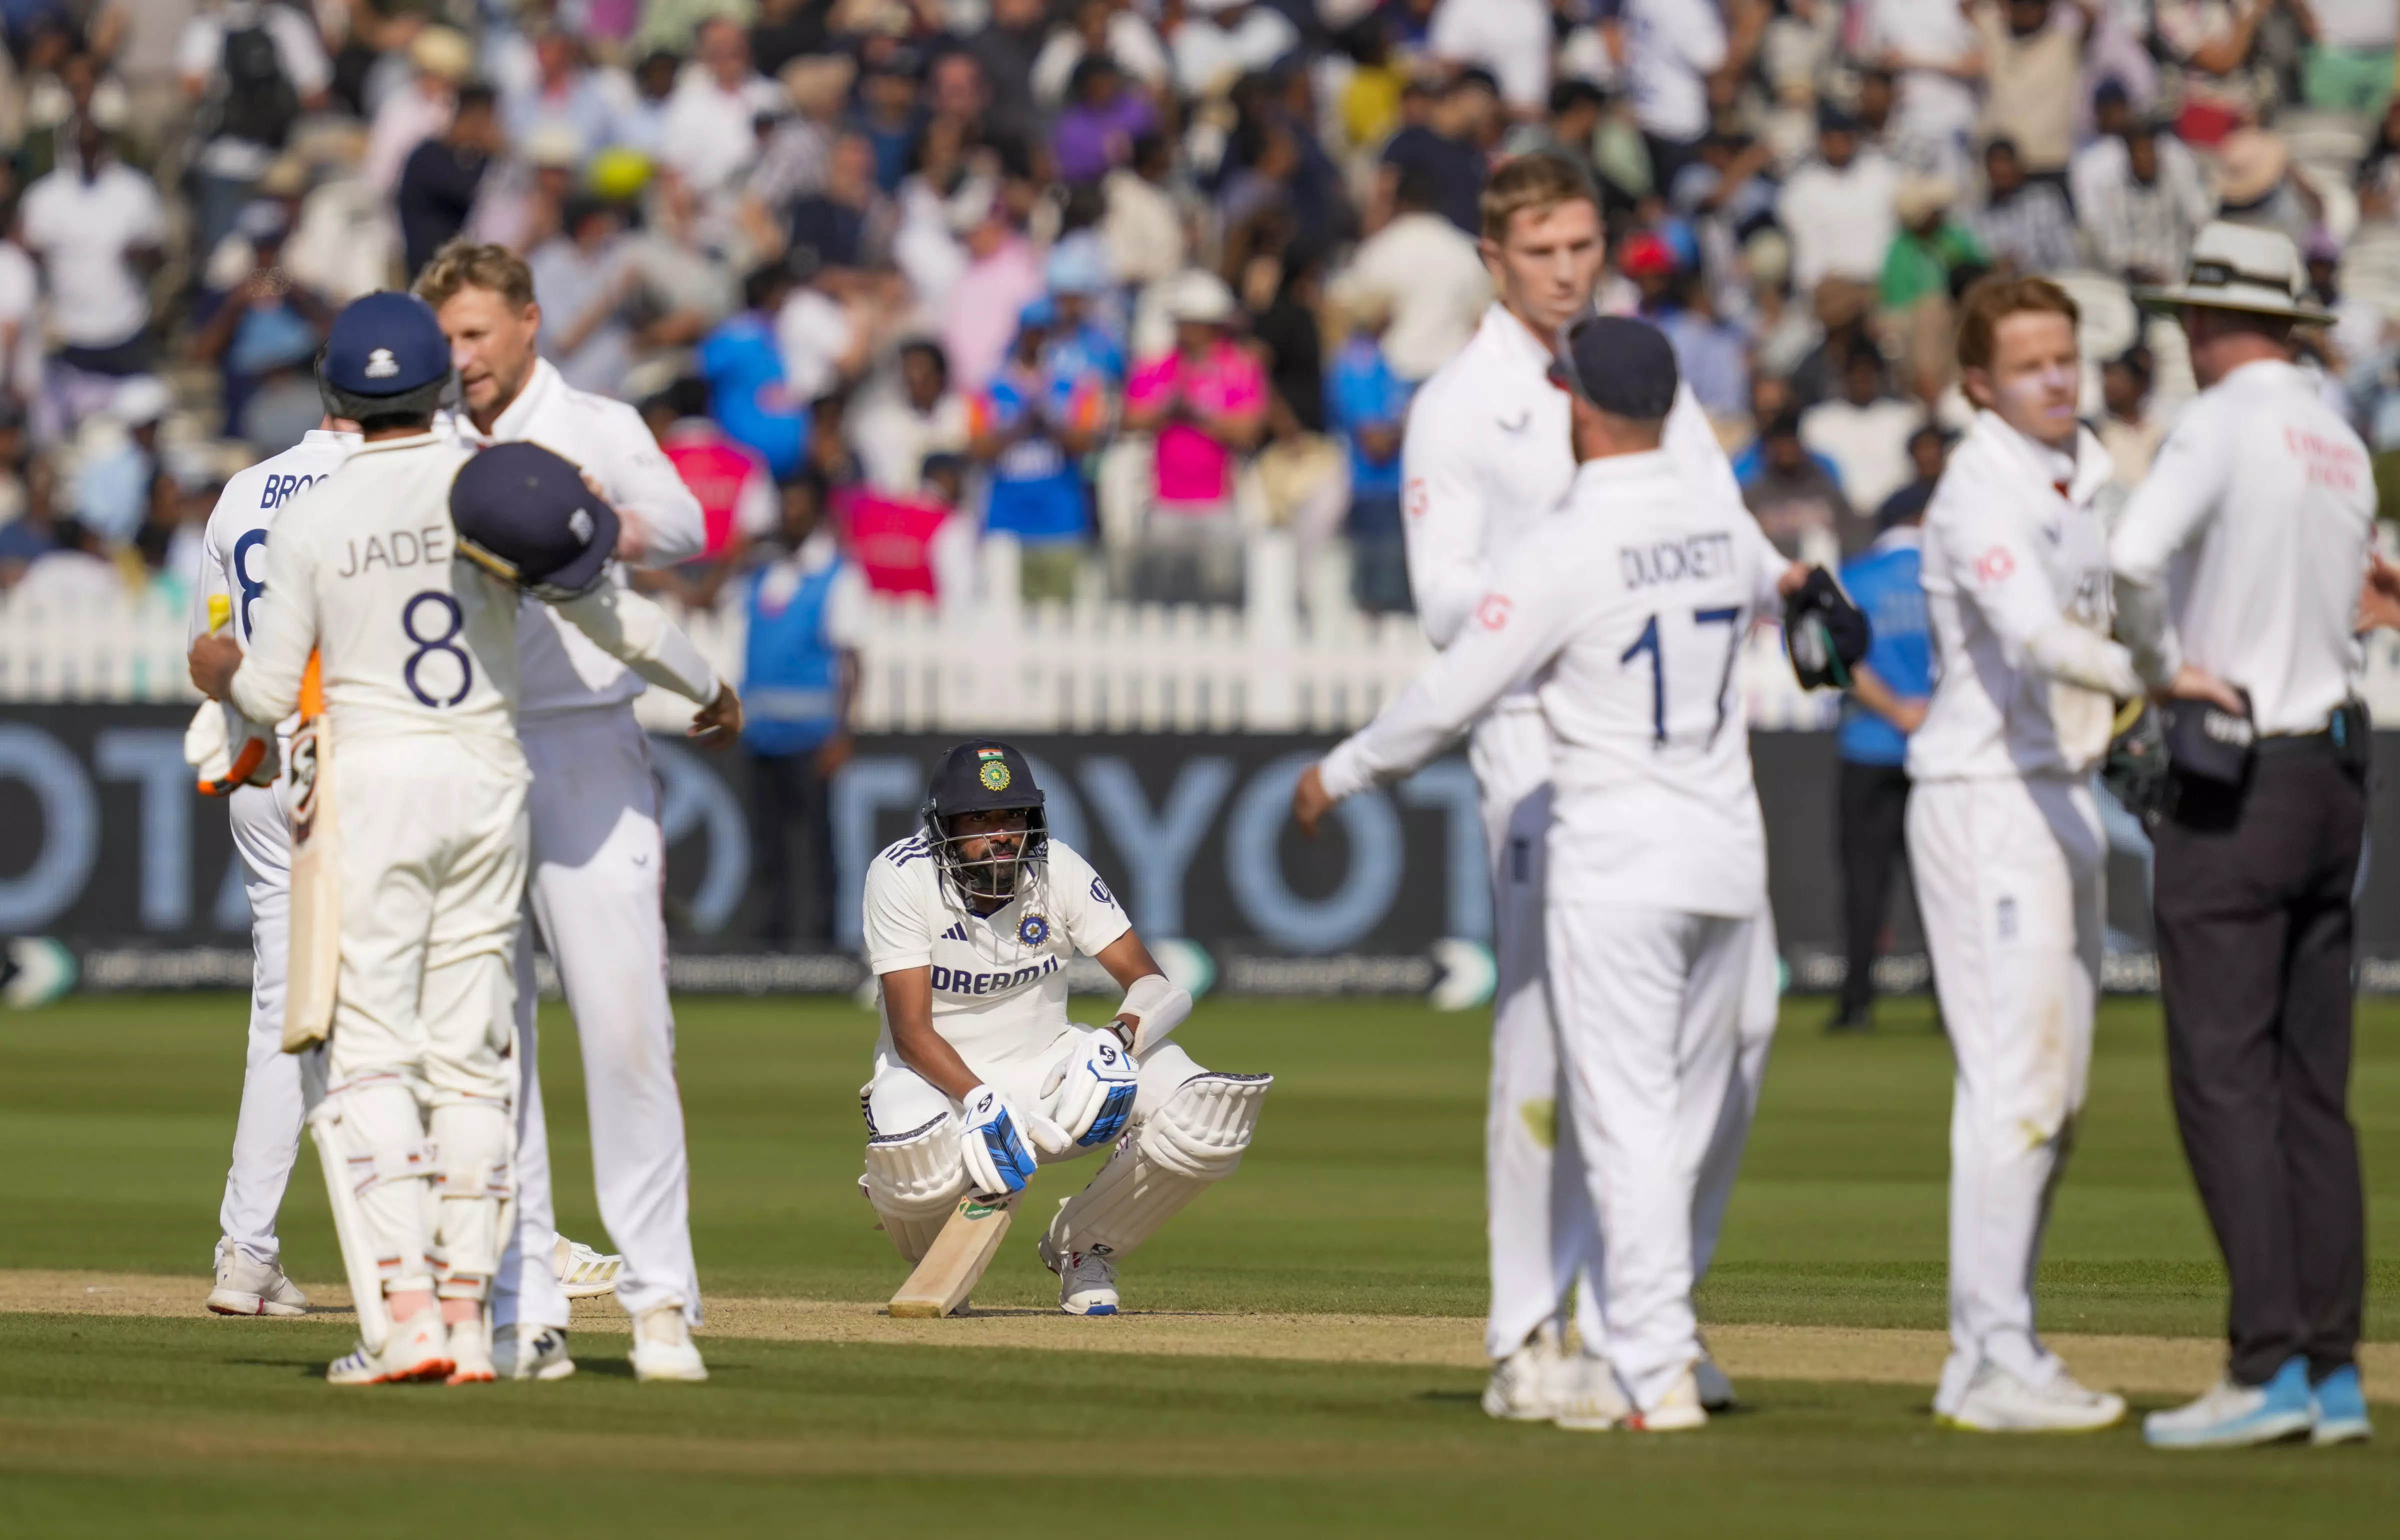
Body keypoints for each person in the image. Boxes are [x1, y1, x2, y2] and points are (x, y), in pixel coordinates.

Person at [184, 293, 731, 1386]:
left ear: (335, 394)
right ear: (441, 382)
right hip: (486, 780)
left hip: (369, 787)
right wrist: (707, 684)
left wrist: (209, 677)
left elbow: (258, 682)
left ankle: (410, 1320)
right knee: (476, 1054)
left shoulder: (306, 515)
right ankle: (481, 1319)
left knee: (376, 1057)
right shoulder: (494, 483)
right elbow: (608, 613)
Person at [1296, 316, 1824, 1431]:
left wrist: (1342, 771)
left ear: (1582, 410)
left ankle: (1654, 1366)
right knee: (1691, 1106)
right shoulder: (1724, 531)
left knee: (1628, 1116)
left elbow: (1452, 693)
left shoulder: (1568, 544)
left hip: (1616, 859)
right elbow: (1806, 603)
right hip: (1729, 852)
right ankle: (1665, 1335)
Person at [1391, 151, 1765, 1424]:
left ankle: (1641, 1312)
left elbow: (1731, 530)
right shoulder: (1463, 403)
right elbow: (1442, 592)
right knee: (1544, 1046)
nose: (1566, 271)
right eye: (1541, 251)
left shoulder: (1631, 374)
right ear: (1495, 258)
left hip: (1678, 748)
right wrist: (1550, 595)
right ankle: (1524, 1330)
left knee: (1742, 1023)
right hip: (1540, 741)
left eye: (1582, 247)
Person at [416, 241, 716, 1383]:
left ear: (530, 324)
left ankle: (658, 1301)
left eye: (477, 336)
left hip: (588, 742)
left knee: (626, 1022)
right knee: (493, 1042)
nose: (462, 361)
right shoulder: (431, 442)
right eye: (446, 341)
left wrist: (600, 528)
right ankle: (525, 1295)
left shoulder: (596, 422)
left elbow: (684, 525)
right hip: (475, 752)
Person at [2112, 224, 2378, 1450]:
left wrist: (2164, 673)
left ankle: (2262, 1362)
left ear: (2209, 320)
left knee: (2221, 1078)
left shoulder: (2222, 419)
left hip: (2241, 774)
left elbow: (2130, 552)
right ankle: (2328, 1372)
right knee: (2310, 1089)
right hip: (2334, 769)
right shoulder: (2335, 436)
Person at [1906, 274, 2139, 1434]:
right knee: (2013, 1083)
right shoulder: (1975, 492)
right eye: (2031, 364)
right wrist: (2149, 681)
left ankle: (2001, 1343)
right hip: (1982, 800)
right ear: (1980, 385)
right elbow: (2036, 637)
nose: (2057, 378)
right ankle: (1987, 1355)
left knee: (2059, 1090)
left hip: (2058, 798)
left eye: (2067, 356)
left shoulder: (2079, 478)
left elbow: (2113, 612)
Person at [860, 741, 1271, 1316]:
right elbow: (910, 1031)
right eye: (980, 819)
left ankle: (1083, 1249)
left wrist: (1116, 1038)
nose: (1001, 834)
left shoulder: (1057, 867)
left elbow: (1156, 984)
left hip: (1047, 1071)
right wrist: (981, 1099)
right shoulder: (901, 876)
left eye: (1013, 816)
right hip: (936, 1083)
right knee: (915, 1158)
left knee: (1207, 1117)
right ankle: (933, 1252)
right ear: (943, 825)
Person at [742, 470, 866, 948]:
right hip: (762, 733)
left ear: (817, 512)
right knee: (767, 845)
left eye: (799, 505)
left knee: (816, 845)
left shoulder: (837, 575)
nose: (790, 515)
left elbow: (851, 658)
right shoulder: (764, 571)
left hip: (813, 735)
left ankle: (820, 943)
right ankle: (771, 940)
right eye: (785, 505)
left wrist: (842, 732)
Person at [1829, 485, 1934, 1034]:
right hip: (1940, 750)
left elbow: (1832, 659)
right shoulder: (1947, 576)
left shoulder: (1856, 576)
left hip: (1869, 745)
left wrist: (1892, 708)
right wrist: (1924, 710)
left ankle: (1857, 1003)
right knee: (1944, 886)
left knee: (1864, 884)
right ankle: (1953, 1004)